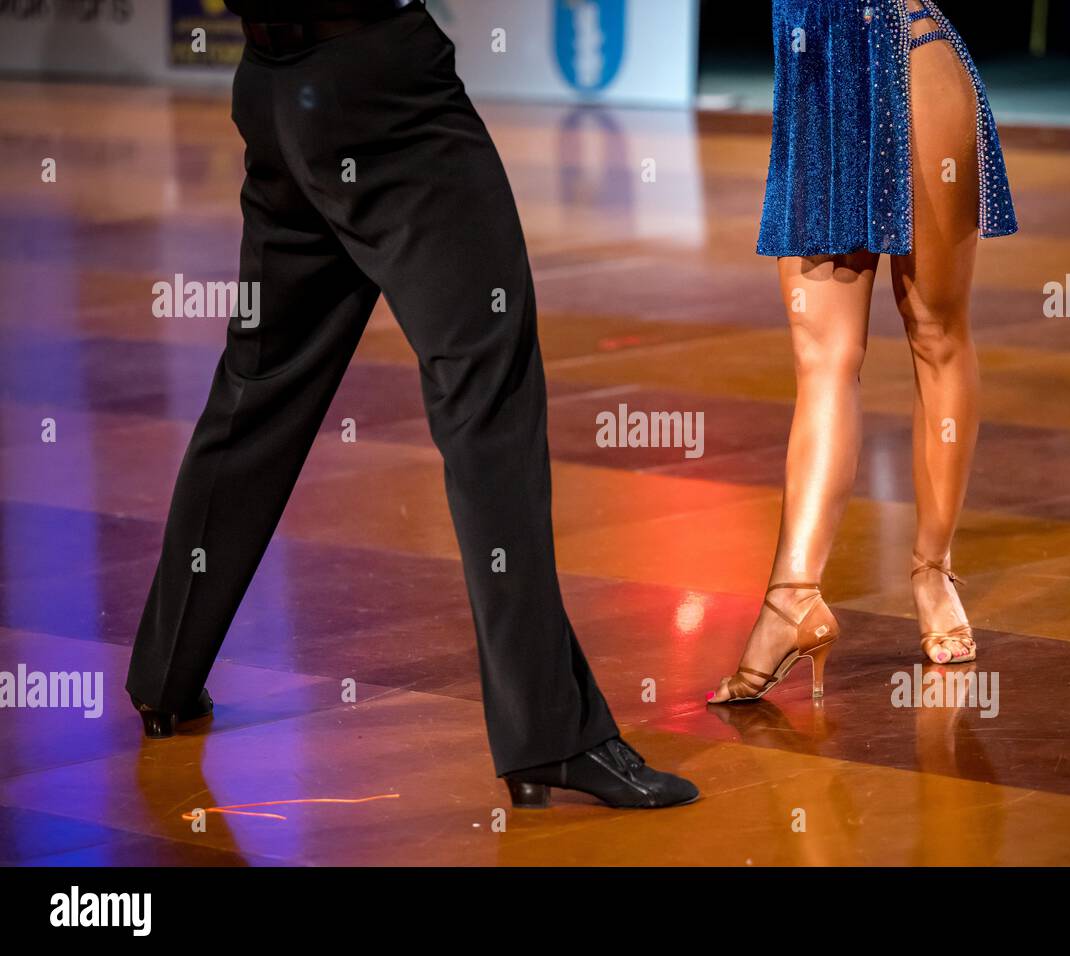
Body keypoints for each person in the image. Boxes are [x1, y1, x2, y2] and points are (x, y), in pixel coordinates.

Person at [127, 0, 698, 810]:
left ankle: (165, 676)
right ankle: (551, 735)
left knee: (259, 388)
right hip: (384, 89)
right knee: (487, 400)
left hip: (274, 87)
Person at [710, 0, 1018, 703]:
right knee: (821, 356)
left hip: (906, 55)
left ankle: (932, 570)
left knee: (935, 332)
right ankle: (791, 598)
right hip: (816, 81)